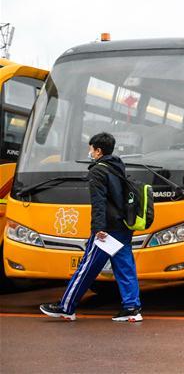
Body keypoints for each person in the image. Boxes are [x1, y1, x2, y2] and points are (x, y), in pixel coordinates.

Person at [40, 132, 143, 322]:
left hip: (108, 228)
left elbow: (99, 202)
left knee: (87, 267)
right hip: (123, 225)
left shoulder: (98, 170)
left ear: (98, 150)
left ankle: (66, 306)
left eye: (91, 149)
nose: (90, 152)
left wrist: (98, 228)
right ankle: (132, 308)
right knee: (125, 266)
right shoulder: (117, 167)